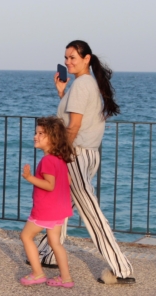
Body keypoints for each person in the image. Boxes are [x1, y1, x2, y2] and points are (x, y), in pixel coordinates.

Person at [34, 40, 136, 284]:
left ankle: (121, 268)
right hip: (86, 154)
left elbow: (74, 125)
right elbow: (75, 116)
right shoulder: (85, 84)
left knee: (91, 212)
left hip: (75, 154)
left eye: (73, 58)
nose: (68, 62)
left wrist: (58, 152)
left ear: (87, 58)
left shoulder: (82, 85)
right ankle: (48, 253)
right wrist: (61, 92)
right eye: (66, 57)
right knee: (62, 203)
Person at [20, 116, 75, 288]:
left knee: (26, 236)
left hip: (46, 210)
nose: (35, 136)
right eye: (36, 132)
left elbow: (49, 185)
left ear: (53, 138)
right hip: (59, 210)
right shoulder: (60, 159)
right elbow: (69, 181)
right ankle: (66, 279)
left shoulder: (47, 160)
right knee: (54, 242)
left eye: (41, 133)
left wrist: (30, 178)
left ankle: (38, 273)